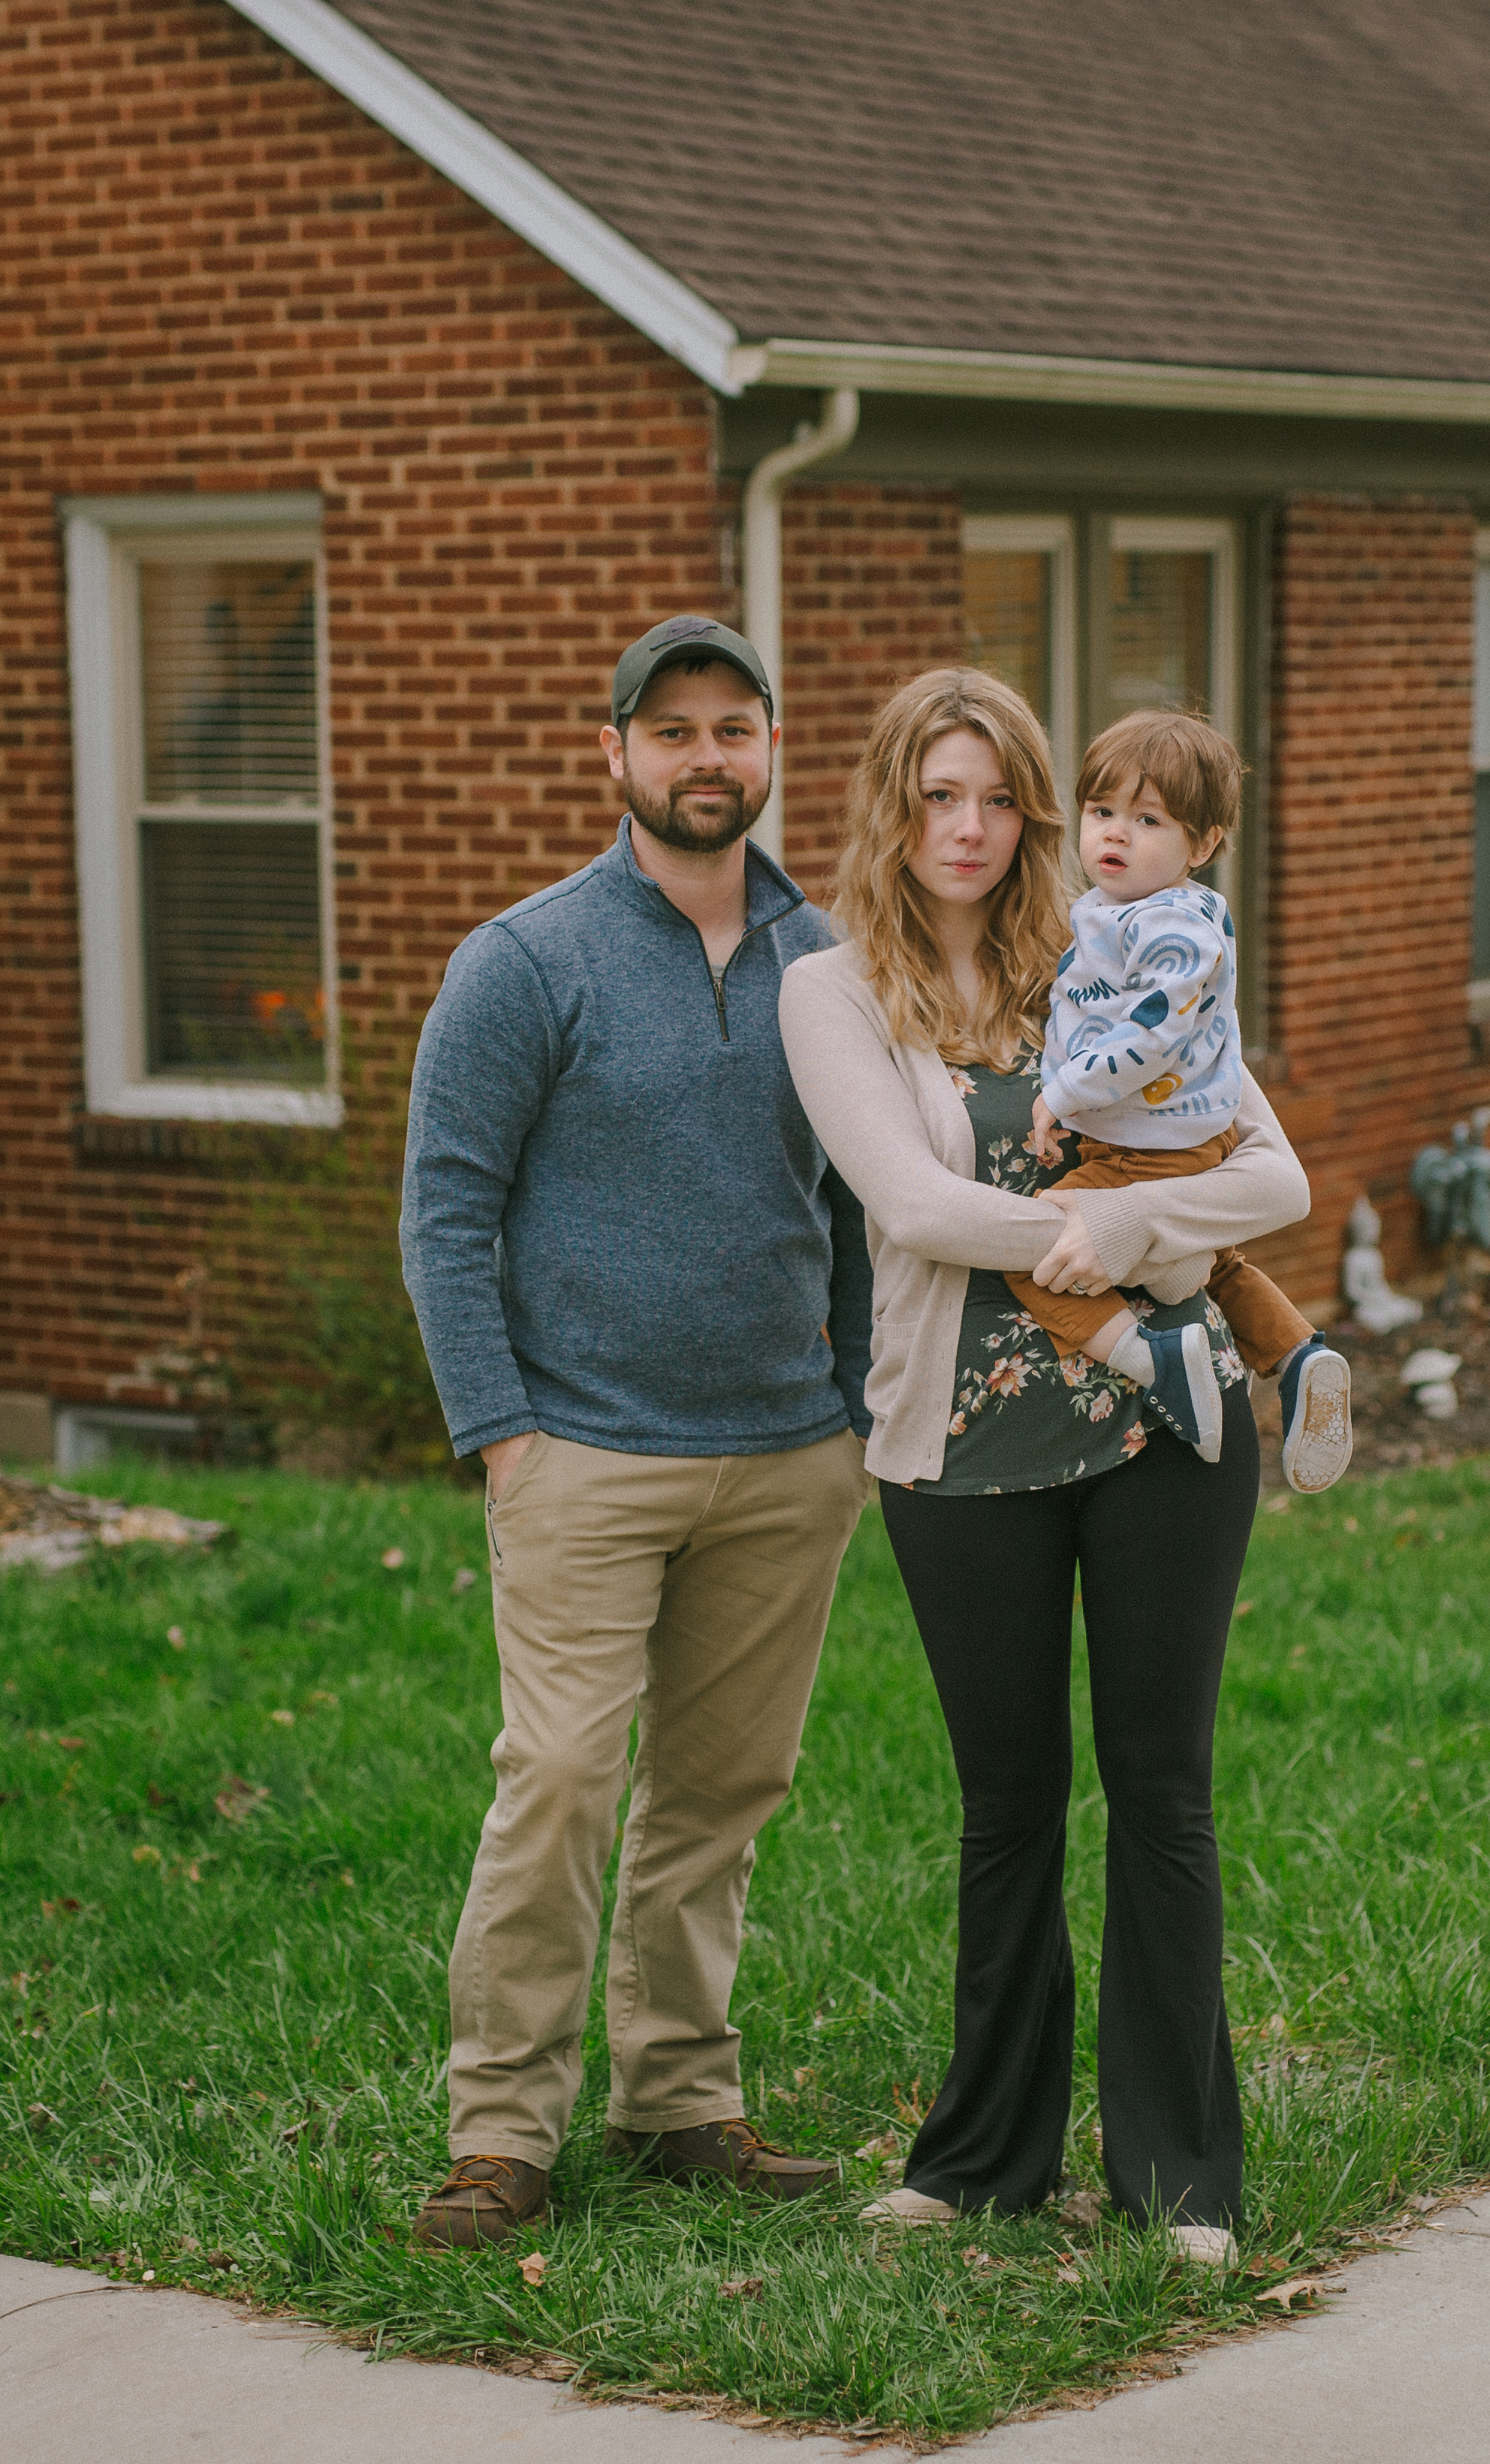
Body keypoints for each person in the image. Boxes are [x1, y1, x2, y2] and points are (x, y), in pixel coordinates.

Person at [779, 667, 1309, 2266]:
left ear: (1035, 813)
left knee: (1160, 1790)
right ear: (894, 802)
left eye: (997, 796)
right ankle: (981, 2160)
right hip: (957, 1437)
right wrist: (1129, 1232)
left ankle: (1180, 2178)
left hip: (1166, 1427)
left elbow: (1270, 1171)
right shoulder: (833, 987)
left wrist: (1146, 1224)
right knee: (1007, 1802)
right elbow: (914, 1210)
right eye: (936, 794)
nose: (968, 826)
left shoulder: (1115, 949)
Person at [395, 615, 875, 2252]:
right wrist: (500, 1431)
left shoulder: (837, 957)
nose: (705, 757)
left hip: (789, 1446)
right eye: (671, 730)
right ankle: (500, 2133)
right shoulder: (527, 958)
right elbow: (446, 1207)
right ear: (613, 754)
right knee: (561, 1782)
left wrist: (866, 1407)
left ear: (767, 751)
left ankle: (678, 2099)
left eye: (734, 727)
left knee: (722, 1792)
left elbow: (877, 1201)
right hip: (583, 1450)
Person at [1009, 707, 1348, 1492]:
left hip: (1150, 1147)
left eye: (1147, 819)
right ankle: (1297, 1355)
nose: (1114, 834)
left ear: (1201, 846)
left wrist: (1060, 1092)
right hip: (1154, 1141)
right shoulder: (1111, 911)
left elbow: (1151, 1031)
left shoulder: (1174, 925)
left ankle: (1148, 1357)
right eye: (1100, 812)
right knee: (1208, 1263)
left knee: (1035, 1257)